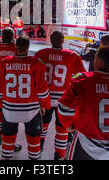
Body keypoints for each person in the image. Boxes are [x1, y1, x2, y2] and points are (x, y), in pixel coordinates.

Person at [57, 47, 109, 160]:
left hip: (84, 144)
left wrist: (69, 126)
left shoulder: (82, 80)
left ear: (99, 61)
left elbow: (64, 108)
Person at [0, 35, 50, 160]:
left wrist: (1, 105)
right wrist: (44, 106)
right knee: (34, 140)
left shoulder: (5, 62)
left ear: (15, 47)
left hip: (9, 109)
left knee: (8, 139)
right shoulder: (36, 64)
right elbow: (42, 92)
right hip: (31, 109)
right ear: (28, 48)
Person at [34, 31, 86, 160]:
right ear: (63, 41)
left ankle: (38, 148)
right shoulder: (72, 56)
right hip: (64, 99)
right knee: (62, 129)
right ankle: (59, 156)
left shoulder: (41, 54)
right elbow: (81, 77)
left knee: (43, 126)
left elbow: (33, 73)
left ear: (50, 40)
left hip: (45, 97)